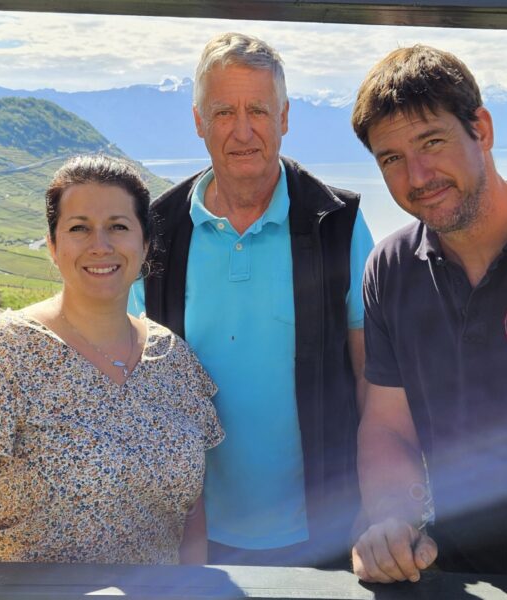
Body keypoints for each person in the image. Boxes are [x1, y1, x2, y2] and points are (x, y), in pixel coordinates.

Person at [131, 32, 375, 567]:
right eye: (223, 112)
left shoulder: (338, 225)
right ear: (198, 121)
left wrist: (375, 507)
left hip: (323, 531)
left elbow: (372, 380)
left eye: (258, 111)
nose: (243, 131)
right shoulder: (157, 232)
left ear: (285, 117)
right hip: (185, 536)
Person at [0, 155, 224, 564]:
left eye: (118, 227)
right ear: (53, 245)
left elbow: (191, 518)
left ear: (144, 244)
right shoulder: (0, 352)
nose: (100, 246)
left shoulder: (175, 361)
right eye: (79, 228)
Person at [349, 45, 507, 582]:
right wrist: (394, 521)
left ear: (482, 130)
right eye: (392, 159)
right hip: (456, 572)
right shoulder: (390, 269)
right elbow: (388, 427)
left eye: (432, 141)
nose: (418, 175)